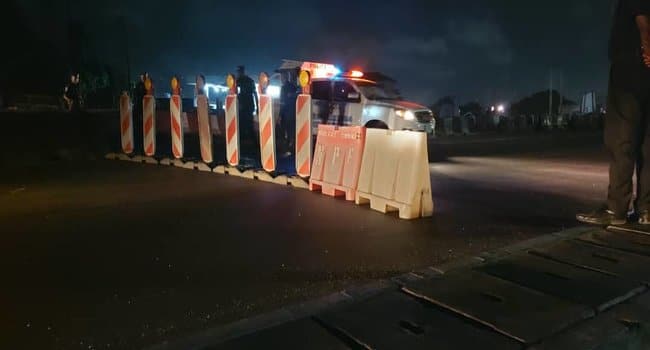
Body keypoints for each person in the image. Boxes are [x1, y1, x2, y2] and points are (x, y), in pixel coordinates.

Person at [577, 0, 650, 226]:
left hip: (631, 67)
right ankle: (646, 209)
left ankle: (616, 208)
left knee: (621, 138)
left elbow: (641, 14)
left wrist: (646, 44)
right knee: (648, 143)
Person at [236, 65, 260, 166]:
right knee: (248, 128)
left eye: (239, 71)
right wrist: (257, 106)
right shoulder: (249, 80)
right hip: (248, 107)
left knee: (243, 128)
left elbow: (236, 94)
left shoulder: (239, 81)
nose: (238, 73)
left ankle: (243, 151)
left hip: (243, 108)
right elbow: (255, 94)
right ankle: (255, 149)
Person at [279, 69, 299, 156]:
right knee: (291, 132)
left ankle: (288, 150)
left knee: (286, 132)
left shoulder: (284, 88)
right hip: (292, 112)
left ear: (285, 77)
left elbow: (283, 102)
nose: (281, 79)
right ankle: (291, 149)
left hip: (287, 113)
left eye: (282, 77)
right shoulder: (293, 87)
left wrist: (280, 115)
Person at [133, 73, 147, 154]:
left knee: (139, 131)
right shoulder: (141, 86)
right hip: (140, 110)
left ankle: (139, 148)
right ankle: (140, 148)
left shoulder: (140, 86)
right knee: (140, 131)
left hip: (140, 110)